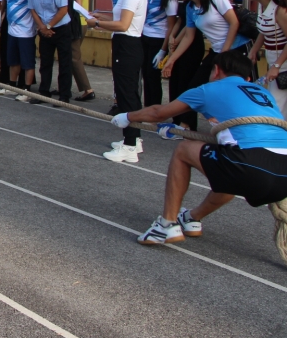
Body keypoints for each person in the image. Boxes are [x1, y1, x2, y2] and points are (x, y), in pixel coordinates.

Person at [112, 51, 287, 245]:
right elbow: (240, 135)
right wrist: (179, 130)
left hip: (249, 164)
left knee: (184, 150)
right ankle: (191, 218)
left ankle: (167, 226)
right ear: (247, 78)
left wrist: (127, 117)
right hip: (283, 175)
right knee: (227, 168)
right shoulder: (263, 94)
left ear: (217, 70)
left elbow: (158, 113)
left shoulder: (208, 89)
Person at [163, 0, 251, 131]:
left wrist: (225, 53)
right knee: (194, 88)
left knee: (235, 92)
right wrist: (171, 60)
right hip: (218, 53)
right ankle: (186, 126)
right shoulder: (190, 7)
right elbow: (189, 37)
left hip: (236, 50)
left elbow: (234, 23)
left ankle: (240, 129)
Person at [87, 0, 148, 162]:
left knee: (127, 95)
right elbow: (121, 18)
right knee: (129, 93)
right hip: (127, 43)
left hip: (127, 44)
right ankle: (134, 139)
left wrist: (96, 23)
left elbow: (123, 24)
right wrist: (101, 17)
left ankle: (130, 145)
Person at [26, 0, 72, 104]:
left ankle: (64, 95)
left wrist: (49, 25)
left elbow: (63, 10)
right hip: (44, 30)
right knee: (45, 62)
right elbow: (32, 10)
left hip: (61, 28)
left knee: (64, 62)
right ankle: (43, 93)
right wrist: (42, 27)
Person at [246, 0, 287, 116]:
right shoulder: (263, 7)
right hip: (273, 60)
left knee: (276, 106)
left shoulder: (279, 10)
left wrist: (277, 66)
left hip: (282, 61)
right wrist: (254, 50)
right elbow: (264, 30)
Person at [56, 0, 95, 101]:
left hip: (76, 23)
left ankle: (87, 88)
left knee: (73, 57)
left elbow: (77, 5)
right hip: (81, 23)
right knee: (72, 56)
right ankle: (66, 86)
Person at [141, 0, 178, 109]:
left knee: (153, 76)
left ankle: (154, 109)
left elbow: (171, 26)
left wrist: (163, 50)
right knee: (145, 75)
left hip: (159, 40)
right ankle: (147, 107)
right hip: (145, 37)